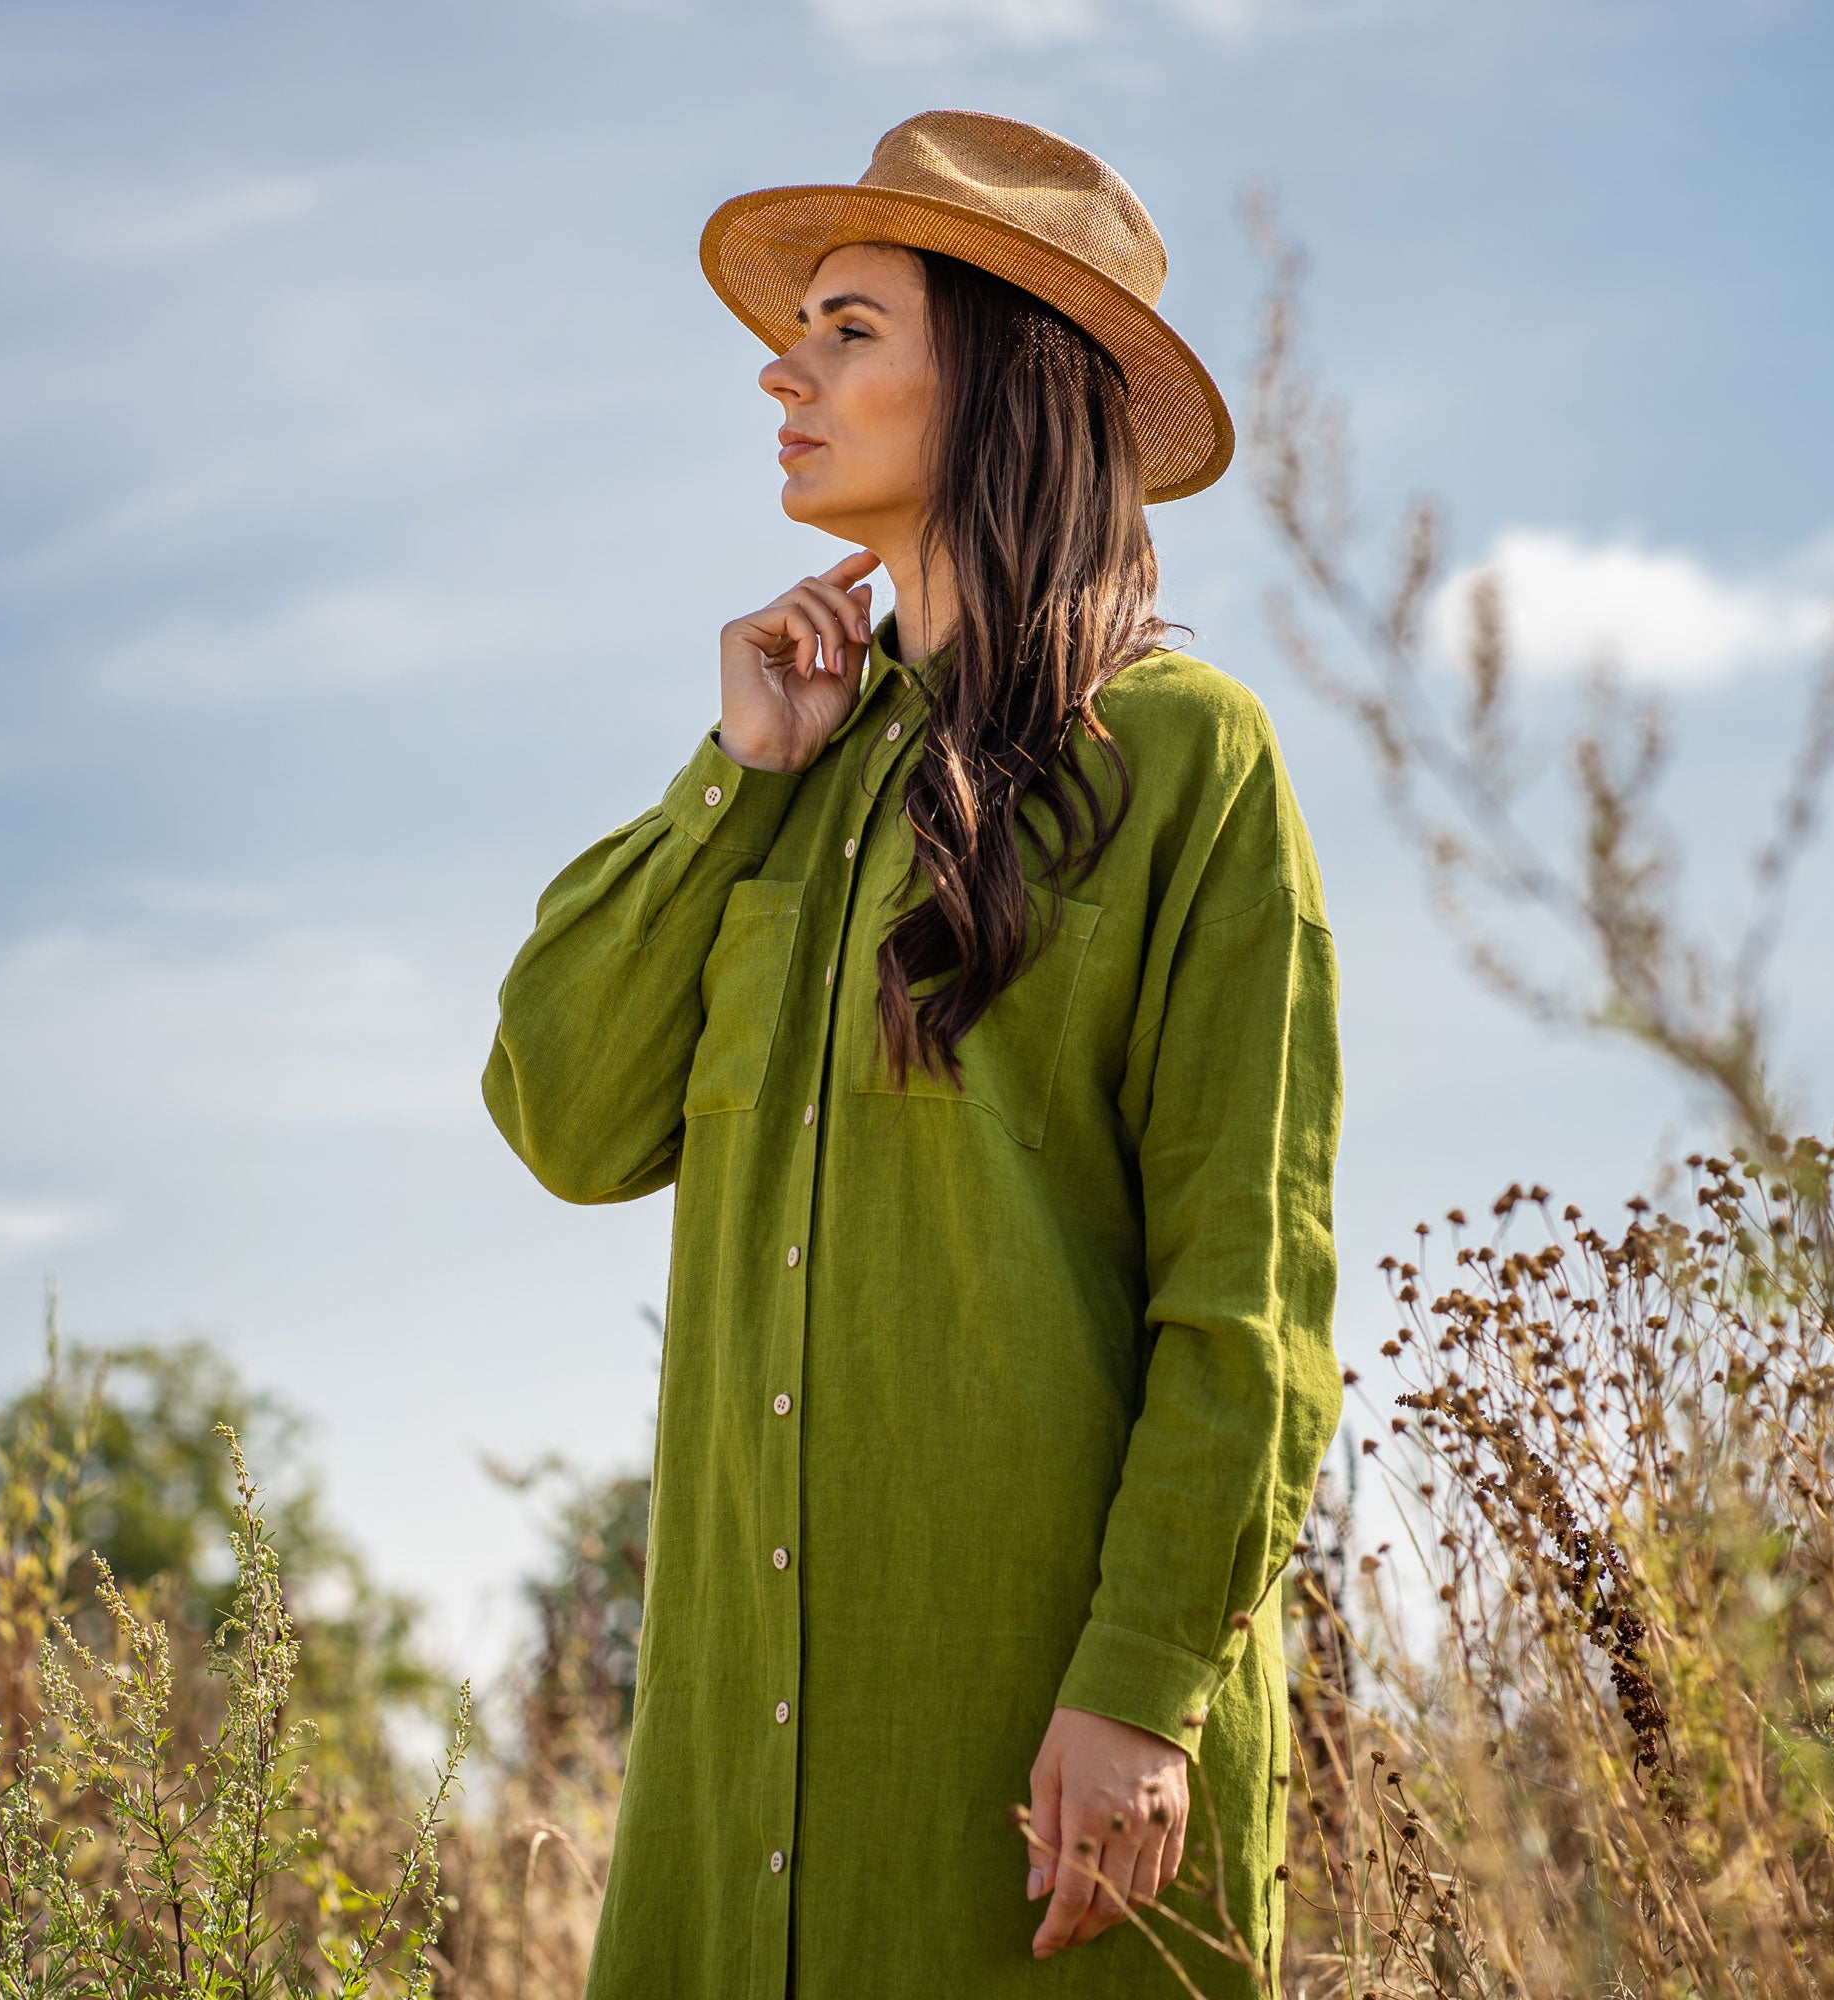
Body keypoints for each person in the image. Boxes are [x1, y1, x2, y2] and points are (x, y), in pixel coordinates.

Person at [482, 109, 1343, 2000]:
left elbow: (1249, 1296)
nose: (781, 368)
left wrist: (1140, 1689)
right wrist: (735, 781)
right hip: (738, 1819)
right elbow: (559, 1106)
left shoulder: (1190, 762)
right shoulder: (782, 769)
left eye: (850, 325)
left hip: (1047, 1802)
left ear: (1007, 378)